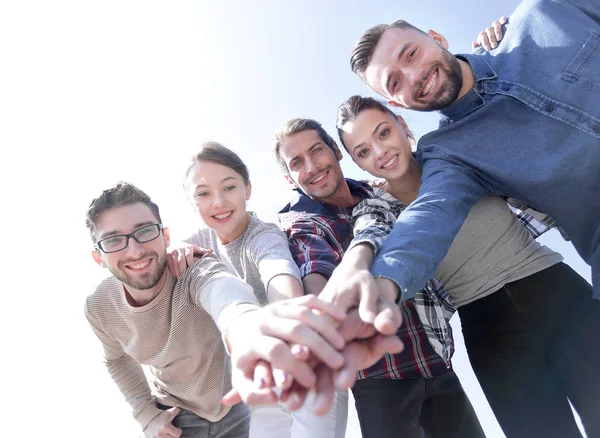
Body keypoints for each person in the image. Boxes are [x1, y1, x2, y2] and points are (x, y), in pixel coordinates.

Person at [335, 94, 600, 437]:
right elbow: (367, 233)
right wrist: (355, 264)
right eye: (363, 151)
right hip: (491, 335)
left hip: (559, 296)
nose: (380, 152)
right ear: (358, 164)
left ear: (402, 124)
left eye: (383, 133)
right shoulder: (378, 209)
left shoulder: (455, 153)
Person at [344, 0, 600, 303]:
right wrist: (382, 286)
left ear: (437, 39)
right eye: (395, 82)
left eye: (411, 54)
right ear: (398, 104)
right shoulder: (450, 153)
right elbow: (427, 218)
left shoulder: (546, 11)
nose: (414, 78)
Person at [83, 182, 352, 438]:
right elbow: (115, 359)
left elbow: (225, 293)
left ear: (165, 236)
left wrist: (247, 326)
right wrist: (145, 414)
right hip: (177, 418)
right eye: (114, 240)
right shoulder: (99, 306)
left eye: (144, 232)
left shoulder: (192, 269)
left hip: (241, 404)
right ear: (98, 257)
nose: (134, 250)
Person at [273, 117, 485, 438]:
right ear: (289, 177)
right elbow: (313, 263)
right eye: (297, 162)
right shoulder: (302, 224)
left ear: (337, 151)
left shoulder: (380, 192)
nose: (312, 166)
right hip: (380, 382)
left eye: (317, 151)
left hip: (437, 363)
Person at [169, 141, 337, 438]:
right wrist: (175, 249)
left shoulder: (263, 235)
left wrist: (285, 310)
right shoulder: (198, 242)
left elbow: (278, 269)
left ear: (247, 189)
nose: (218, 202)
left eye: (229, 187)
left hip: (305, 363)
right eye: (204, 194)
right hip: (260, 376)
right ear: (191, 202)